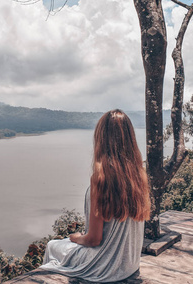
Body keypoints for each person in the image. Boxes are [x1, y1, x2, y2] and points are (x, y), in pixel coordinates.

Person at [40, 109, 151, 282]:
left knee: (53, 245)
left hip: (104, 268)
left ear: (102, 140)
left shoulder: (101, 179)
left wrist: (75, 238)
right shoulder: (138, 176)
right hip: (129, 265)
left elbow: (93, 240)